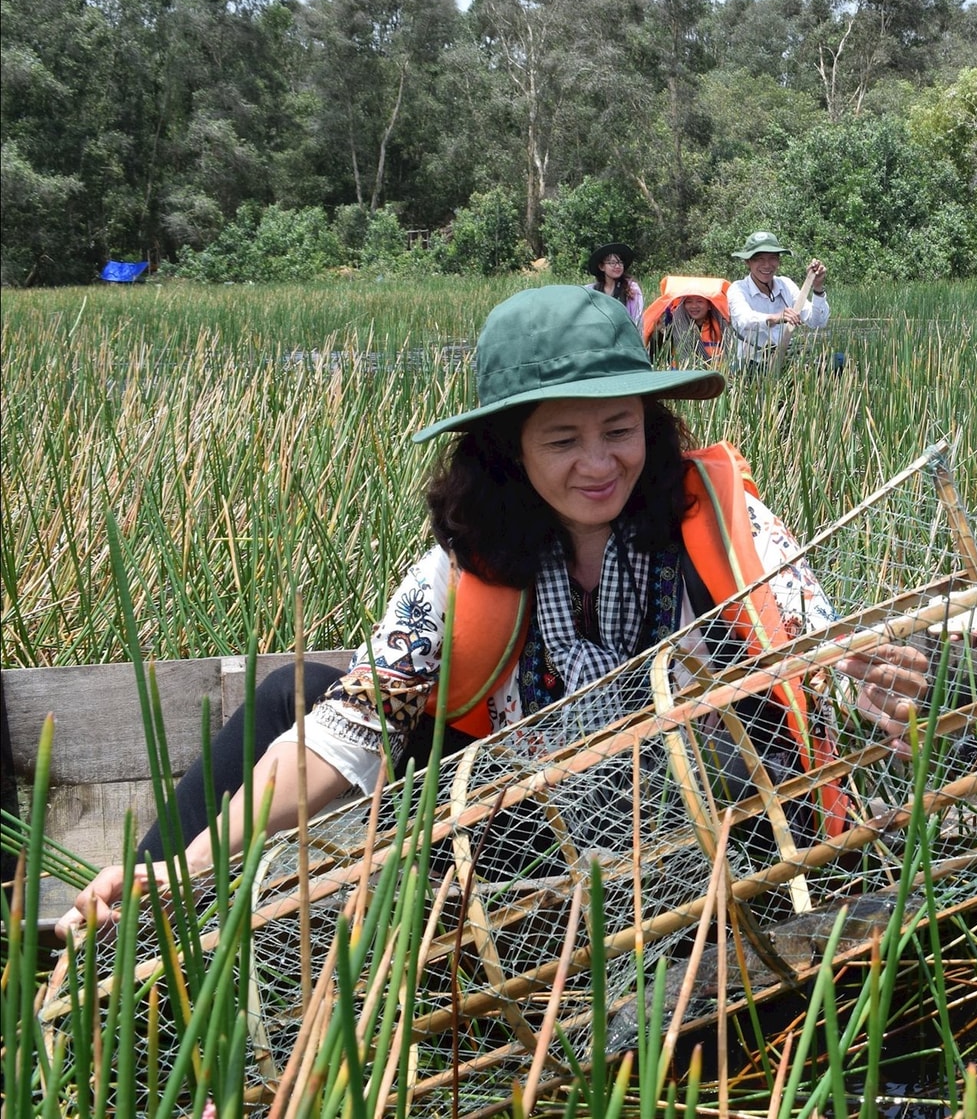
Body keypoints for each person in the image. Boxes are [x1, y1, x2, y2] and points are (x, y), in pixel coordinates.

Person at [58, 285, 911, 938]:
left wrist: (878, 687)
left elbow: (825, 659)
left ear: (650, 424)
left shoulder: (722, 525)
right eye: (563, 440)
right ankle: (141, 913)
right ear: (510, 450)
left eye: (619, 429)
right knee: (299, 696)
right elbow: (351, 727)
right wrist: (196, 863)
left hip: (703, 836)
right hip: (522, 844)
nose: (598, 464)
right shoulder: (466, 563)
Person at [727, 230, 827, 368]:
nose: (767, 265)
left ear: (778, 260)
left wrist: (818, 288)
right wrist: (775, 318)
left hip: (785, 360)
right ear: (748, 262)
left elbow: (817, 323)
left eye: (772, 258)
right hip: (750, 364)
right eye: (759, 259)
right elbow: (744, 320)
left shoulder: (786, 284)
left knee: (838, 360)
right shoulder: (737, 288)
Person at [643, 275, 732, 367]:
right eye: (689, 302)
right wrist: (658, 334)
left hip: (714, 374)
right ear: (683, 305)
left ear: (709, 305)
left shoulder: (722, 326)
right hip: (680, 374)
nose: (694, 306)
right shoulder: (672, 327)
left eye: (699, 301)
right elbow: (657, 357)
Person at [585, 242, 644, 324]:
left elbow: (637, 319)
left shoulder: (632, 289)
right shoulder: (591, 290)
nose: (617, 266)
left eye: (620, 262)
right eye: (612, 263)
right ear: (601, 267)